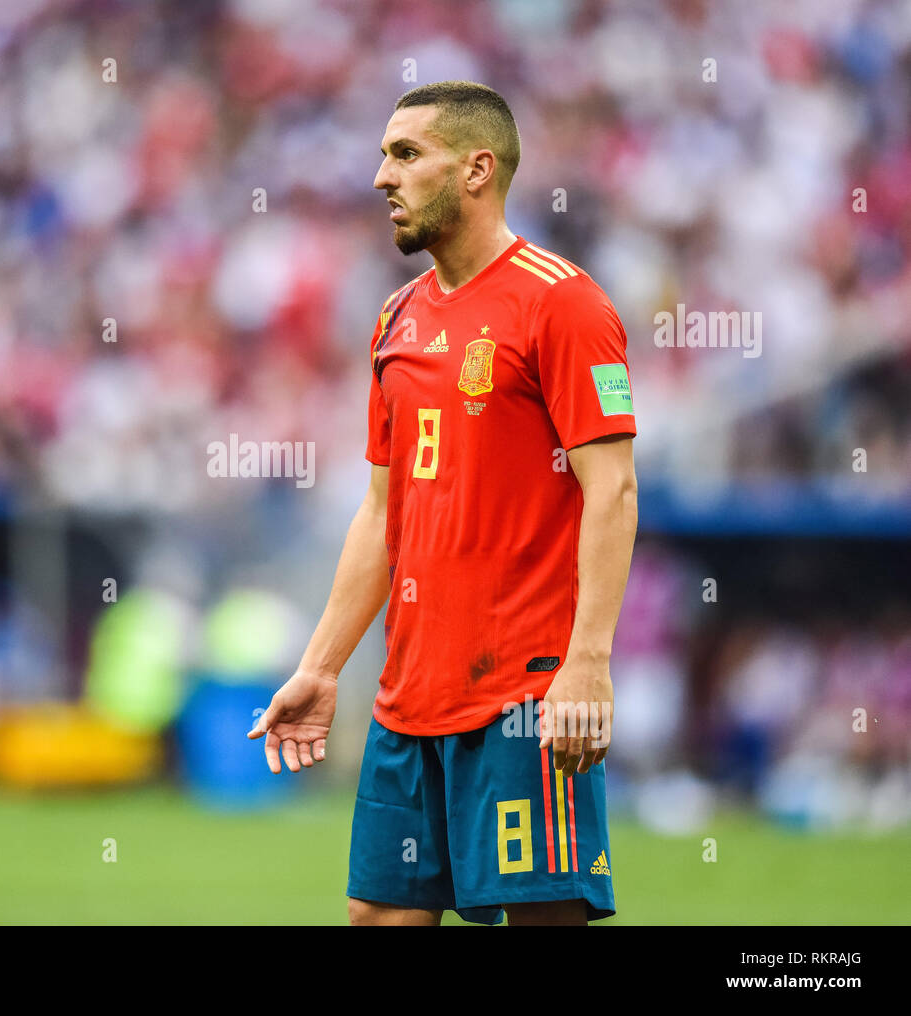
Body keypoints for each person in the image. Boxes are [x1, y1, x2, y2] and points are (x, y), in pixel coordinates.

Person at [248, 81, 639, 926]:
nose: (381, 176)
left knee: (545, 918)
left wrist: (589, 664)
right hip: (408, 697)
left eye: (405, 154)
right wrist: (320, 667)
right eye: (384, 154)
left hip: (523, 696)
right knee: (377, 916)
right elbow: (381, 514)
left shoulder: (561, 301)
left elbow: (613, 489)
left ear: (477, 169)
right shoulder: (397, 316)